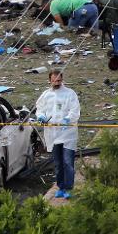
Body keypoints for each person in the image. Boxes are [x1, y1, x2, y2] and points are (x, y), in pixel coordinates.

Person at [35, 69, 80, 198]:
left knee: (67, 162)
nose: (57, 82)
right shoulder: (46, 95)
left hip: (67, 134)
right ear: (50, 80)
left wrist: (68, 119)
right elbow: (40, 109)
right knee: (58, 163)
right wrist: (41, 117)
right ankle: (60, 186)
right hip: (53, 134)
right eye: (54, 80)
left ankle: (68, 188)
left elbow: (75, 109)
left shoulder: (69, 94)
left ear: (62, 80)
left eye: (59, 80)